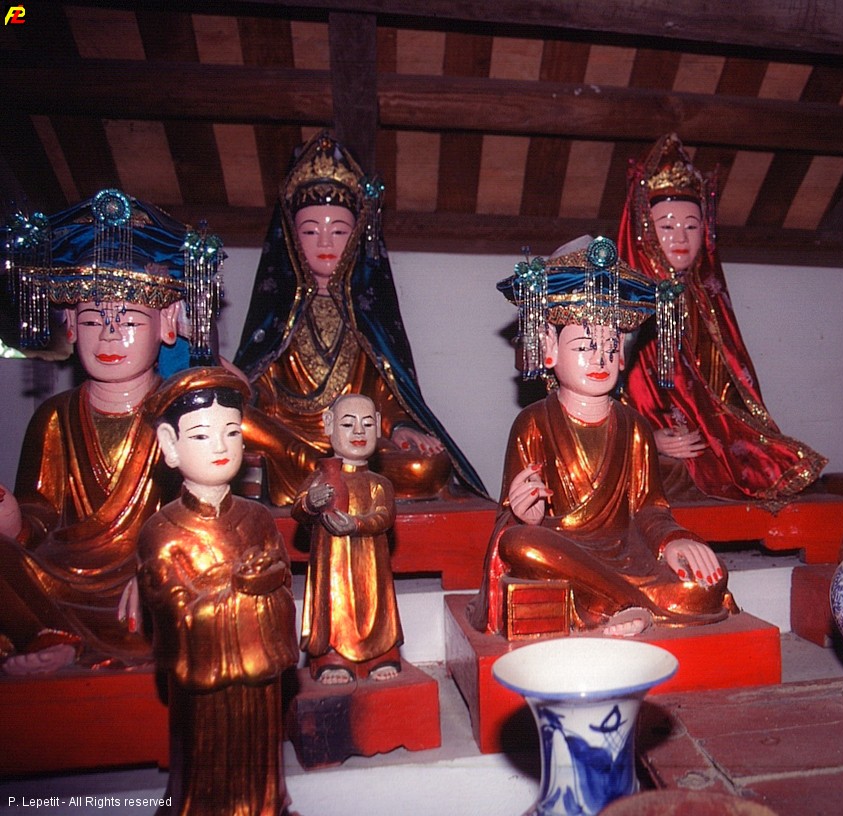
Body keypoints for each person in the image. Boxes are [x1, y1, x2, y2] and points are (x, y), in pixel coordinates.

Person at [467, 236, 737, 638]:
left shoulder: (635, 427)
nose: (600, 358)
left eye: (611, 347)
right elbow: (510, 519)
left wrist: (674, 542)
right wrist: (524, 515)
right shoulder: (532, 422)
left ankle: (612, 602)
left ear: (624, 355)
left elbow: (649, 510)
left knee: (707, 580)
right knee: (520, 544)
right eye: (584, 346)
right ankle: (631, 606)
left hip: (628, 554)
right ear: (549, 349)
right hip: (563, 548)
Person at [0, 189, 221, 674]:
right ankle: (47, 631)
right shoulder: (54, 416)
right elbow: (41, 513)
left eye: (129, 321)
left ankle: (52, 633)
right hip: (56, 577)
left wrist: (156, 567)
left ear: (167, 324)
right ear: (69, 325)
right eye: (92, 320)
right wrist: (15, 520)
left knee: (183, 591)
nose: (109, 336)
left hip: (142, 576)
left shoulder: (182, 415)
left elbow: (197, 514)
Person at [233, 130, 486, 505]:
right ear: (291, 238)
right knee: (230, 415)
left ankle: (326, 476)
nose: (324, 243)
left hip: (360, 440)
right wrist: (246, 389)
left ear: (356, 237)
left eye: (338, 231)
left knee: (427, 467)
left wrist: (398, 426)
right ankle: (319, 468)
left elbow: (385, 390)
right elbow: (261, 388)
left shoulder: (364, 311)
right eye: (310, 231)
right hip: (293, 438)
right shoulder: (279, 313)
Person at [617, 133, 825, 502]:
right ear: (645, 230)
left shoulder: (705, 295)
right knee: (660, 476)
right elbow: (604, 388)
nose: (681, 238)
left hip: (705, 438)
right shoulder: (626, 300)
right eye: (667, 226)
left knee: (763, 463)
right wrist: (648, 437)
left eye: (691, 226)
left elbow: (730, 388)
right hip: (649, 442)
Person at [139, 368, 298, 816]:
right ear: (170, 445)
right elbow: (172, 608)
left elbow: (282, 578)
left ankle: (267, 806)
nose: (220, 447)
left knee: (261, 755)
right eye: (201, 435)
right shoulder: (162, 531)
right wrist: (237, 594)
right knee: (204, 757)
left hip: (258, 667)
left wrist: (265, 585)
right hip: (204, 673)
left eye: (231, 432)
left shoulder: (257, 518)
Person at [293, 392, 402, 684]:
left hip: (371, 562)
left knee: (375, 604)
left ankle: (380, 653)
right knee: (333, 603)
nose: (358, 432)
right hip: (332, 563)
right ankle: (332, 656)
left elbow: (385, 516)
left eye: (367, 424)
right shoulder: (320, 480)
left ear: (378, 425)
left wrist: (356, 524)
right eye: (347, 424)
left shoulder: (379, 483)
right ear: (329, 424)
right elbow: (298, 510)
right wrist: (311, 502)